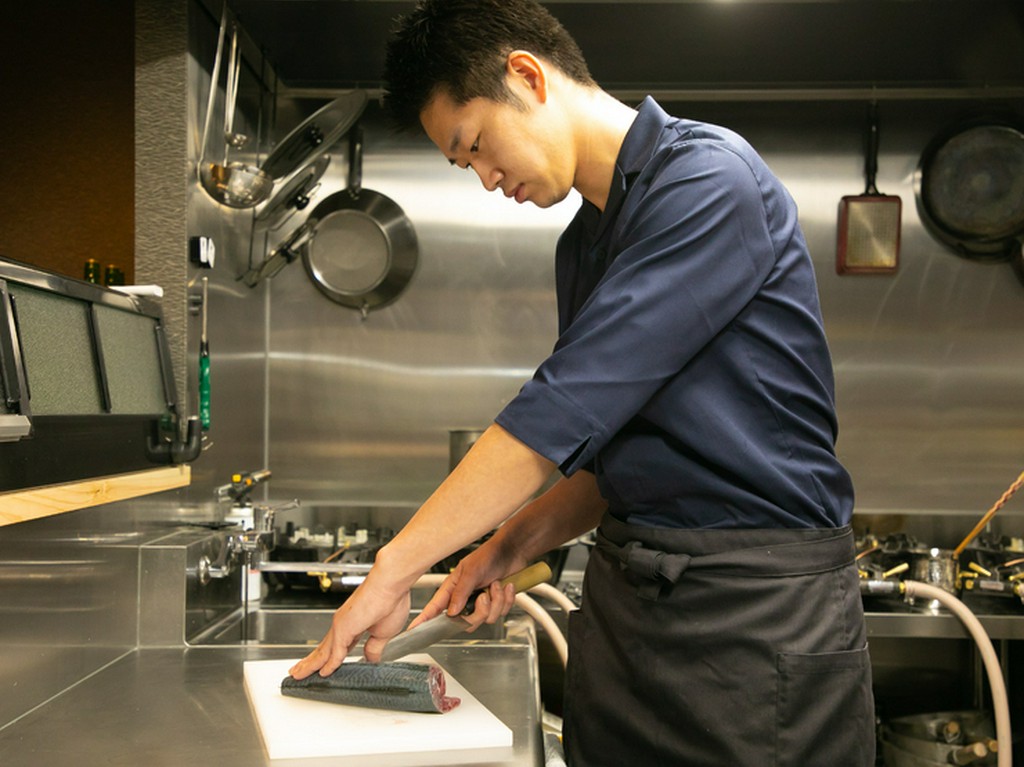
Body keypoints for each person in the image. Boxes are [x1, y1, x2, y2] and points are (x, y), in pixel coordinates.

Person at [289, 1, 876, 764]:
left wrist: (393, 568)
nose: (487, 179)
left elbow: (562, 409)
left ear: (527, 77)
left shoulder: (709, 182)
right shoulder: (585, 246)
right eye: (464, 166)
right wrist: (501, 549)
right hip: (629, 608)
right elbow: (607, 454)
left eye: (477, 147)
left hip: (754, 615)